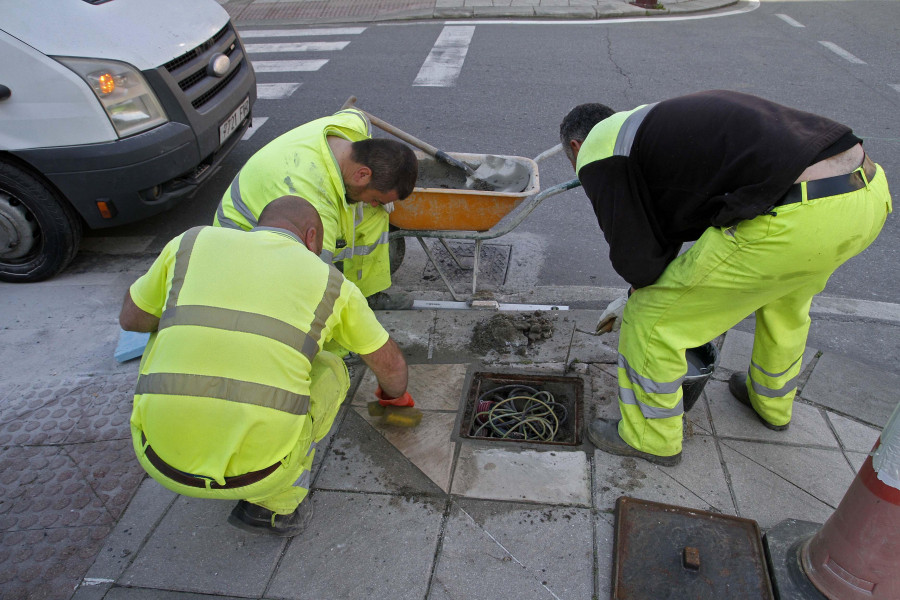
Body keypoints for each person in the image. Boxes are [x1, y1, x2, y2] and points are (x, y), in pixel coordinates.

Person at [560, 90, 892, 466]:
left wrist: (641, 290)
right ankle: (770, 402)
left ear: (576, 145)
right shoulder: (649, 126)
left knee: (653, 316)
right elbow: (673, 217)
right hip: (865, 194)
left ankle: (649, 436)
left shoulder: (598, 149)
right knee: (785, 302)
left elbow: (638, 259)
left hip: (796, 215)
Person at [120, 196, 414, 536]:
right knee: (333, 369)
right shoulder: (332, 284)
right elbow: (389, 364)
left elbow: (132, 319)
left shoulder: (191, 242)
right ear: (312, 237)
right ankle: (276, 509)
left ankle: (191, 434)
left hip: (156, 456)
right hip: (259, 473)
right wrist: (396, 398)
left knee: (163, 326)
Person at [214, 107, 418, 309]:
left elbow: (358, 115)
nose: (375, 203)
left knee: (374, 213)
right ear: (362, 174)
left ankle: (364, 295)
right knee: (308, 296)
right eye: (376, 198)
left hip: (283, 195)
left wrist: (379, 200)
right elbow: (317, 279)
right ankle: (347, 305)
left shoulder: (349, 131)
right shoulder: (316, 201)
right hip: (243, 237)